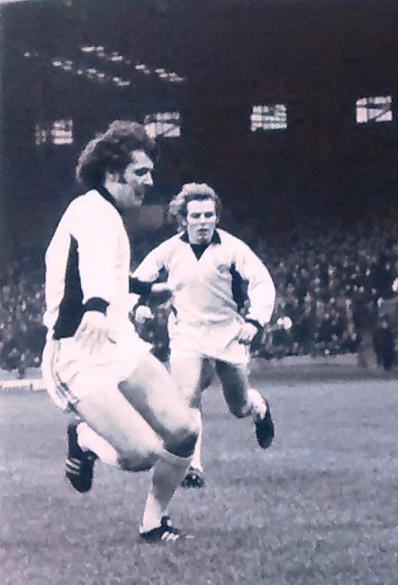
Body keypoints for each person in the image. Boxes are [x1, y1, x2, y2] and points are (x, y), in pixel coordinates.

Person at [40, 120, 199, 543]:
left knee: (184, 430)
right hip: (76, 349)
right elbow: (93, 267)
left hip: (117, 341)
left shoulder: (108, 214)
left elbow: (105, 272)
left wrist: (144, 289)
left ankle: (154, 523)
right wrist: (95, 307)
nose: (150, 181)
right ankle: (84, 438)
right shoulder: (90, 210)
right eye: (140, 172)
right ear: (113, 173)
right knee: (141, 453)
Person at [133, 183, 276, 489]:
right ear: (183, 219)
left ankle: (260, 407)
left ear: (216, 217)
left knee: (238, 406)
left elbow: (262, 282)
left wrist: (255, 322)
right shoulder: (170, 250)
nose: (203, 222)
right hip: (187, 332)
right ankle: (192, 468)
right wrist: (137, 305)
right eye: (196, 216)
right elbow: (139, 278)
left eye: (209, 215)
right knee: (187, 397)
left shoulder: (233, 249)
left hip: (228, 333)